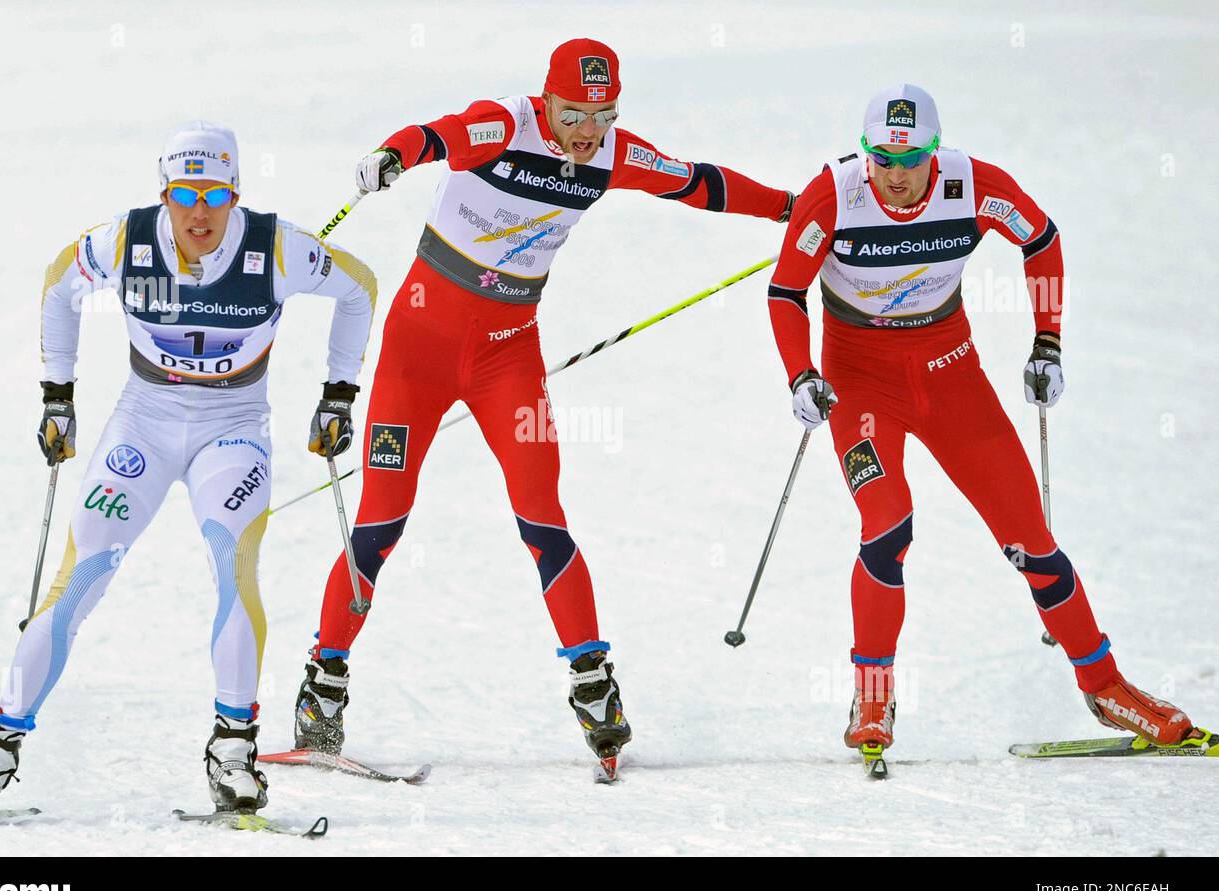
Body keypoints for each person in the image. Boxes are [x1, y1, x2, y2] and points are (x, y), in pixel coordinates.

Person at [292, 38, 794, 776]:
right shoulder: (504, 126)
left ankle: (593, 680)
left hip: (507, 356)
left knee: (542, 512)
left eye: (604, 113)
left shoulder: (613, 153)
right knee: (380, 520)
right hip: (417, 353)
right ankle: (324, 681)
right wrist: (392, 157)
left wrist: (794, 210)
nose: (588, 129)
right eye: (574, 112)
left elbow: (699, 183)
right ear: (546, 99)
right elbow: (438, 134)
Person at [0, 122, 377, 814]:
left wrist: (339, 393)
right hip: (143, 422)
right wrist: (58, 393)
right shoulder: (126, 241)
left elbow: (358, 288)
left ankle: (233, 747)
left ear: (235, 192)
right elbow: (58, 283)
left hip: (232, 430)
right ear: (165, 192)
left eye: (216, 195)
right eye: (185, 194)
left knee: (234, 570)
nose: (200, 213)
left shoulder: (277, 247)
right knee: (80, 575)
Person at [766, 84, 1200, 755]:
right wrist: (802, 374)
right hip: (861, 386)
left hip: (951, 375)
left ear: (935, 153)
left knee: (1029, 535)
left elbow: (1043, 239)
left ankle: (1107, 687)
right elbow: (785, 291)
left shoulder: (973, 185)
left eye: (910, 158)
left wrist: (1048, 341)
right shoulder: (833, 196)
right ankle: (872, 698)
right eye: (881, 157)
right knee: (887, 522)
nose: (895, 173)